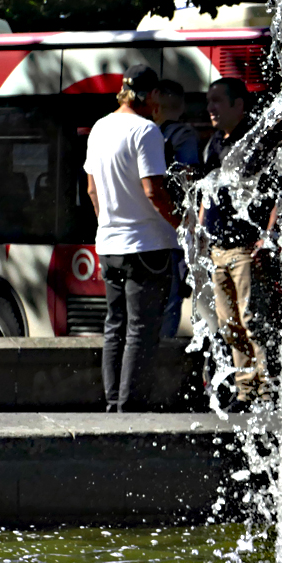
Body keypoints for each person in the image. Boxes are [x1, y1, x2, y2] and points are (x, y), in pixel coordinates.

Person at [84, 64, 181, 412]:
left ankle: (113, 403)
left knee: (115, 326)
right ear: (151, 95)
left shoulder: (99, 128)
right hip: (147, 246)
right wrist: (183, 224)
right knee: (141, 329)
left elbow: (92, 188)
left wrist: (108, 225)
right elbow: (153, 190)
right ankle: (132, 408)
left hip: (109, 246)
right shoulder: (146, 131)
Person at [199, 77, 277, 411]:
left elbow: (277, 192)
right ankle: (245, 390)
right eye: (209, 101)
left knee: (253, 320)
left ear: (239, 106)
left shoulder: (256, 143)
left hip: (245, 248)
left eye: (218, 101)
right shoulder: (214, 144)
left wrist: (268, 236)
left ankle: (268, 391)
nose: (211, 108)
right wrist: (202, 232)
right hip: (218, 249)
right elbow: (207, 192)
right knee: (229, 324)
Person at [149, 79, 199, 337]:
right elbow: (188, 179)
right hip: (172, 231)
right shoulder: (184, 135)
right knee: (169, 304)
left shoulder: (144, 135)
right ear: (181, 106)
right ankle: (162, 367)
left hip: (146, 232)